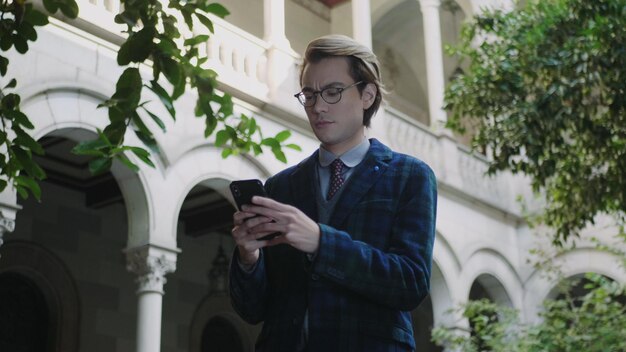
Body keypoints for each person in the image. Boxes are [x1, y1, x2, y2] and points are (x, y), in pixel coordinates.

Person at [229, 34, 437, 351]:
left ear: (367, 94)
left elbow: (411, 283)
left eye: (333, 92)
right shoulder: (281, 187)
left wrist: (322, 242)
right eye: (309, 94)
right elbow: (253, 309)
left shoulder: (410, 176)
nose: (318, 106)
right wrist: (248, 258)